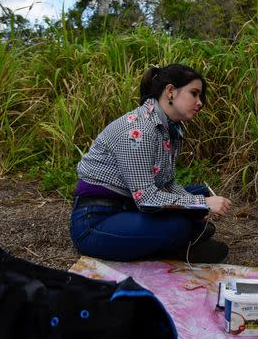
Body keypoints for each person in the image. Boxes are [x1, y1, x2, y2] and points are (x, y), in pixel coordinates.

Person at [70, 64, 232, 263]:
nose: (200, 103)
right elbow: (146, 198)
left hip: (129, 207)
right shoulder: (139, 129)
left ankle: (184, 235)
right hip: (96, 221)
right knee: (179, 224)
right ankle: (180, 249)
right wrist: (202, 205)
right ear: (170, 91)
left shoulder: (169, 127)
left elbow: (168, 183)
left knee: (199, 192)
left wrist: (197, 203)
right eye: (194, 93)